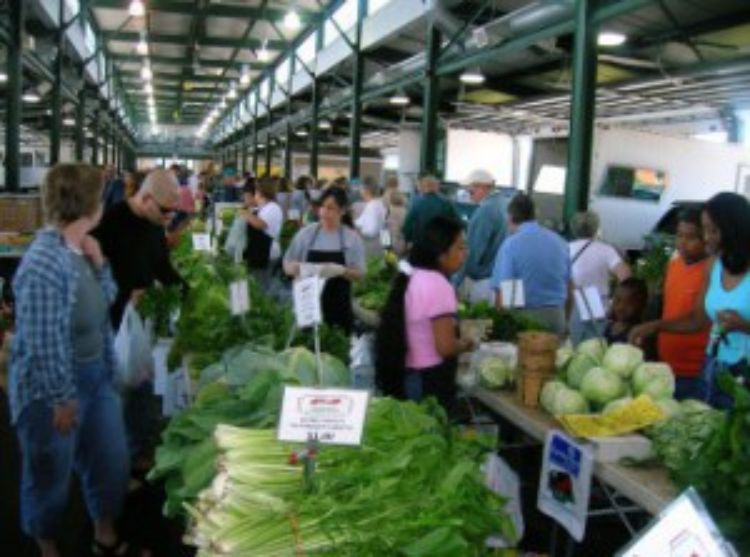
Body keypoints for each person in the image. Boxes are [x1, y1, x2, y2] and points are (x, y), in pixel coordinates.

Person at [9, 163, 130, 557]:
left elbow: (107, 298)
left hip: (97, 375)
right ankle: (46, 543)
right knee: (50, 476)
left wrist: (100, 263)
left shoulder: (81, 247)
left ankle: (103, 530)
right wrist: (61, 398)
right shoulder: (44, 264)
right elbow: (44, 343)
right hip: (52, 389)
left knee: (110, 459)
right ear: (89, 205)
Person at [631, 193, 750, 408]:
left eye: (713, 230)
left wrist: (743, 326)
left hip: (745, 379)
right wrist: (655, 326)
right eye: (705, 229)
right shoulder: (714, 265)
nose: (707, 237)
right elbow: (697, 320)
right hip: (713, 368)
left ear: (734, 228)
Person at [375, 216, 473, 416]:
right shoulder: (439, 285)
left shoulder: (414, 275)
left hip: (409, 375)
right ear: (441, 253)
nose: (465, 254)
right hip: (429, 382)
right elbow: (445, 347)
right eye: (460, 248)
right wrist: (466, 344)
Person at [93, 168, 185, 328]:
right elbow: (92, 279)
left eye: (174, 211)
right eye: (165, 210)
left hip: (138, 319)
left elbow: (162, 266)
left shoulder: (155, 222)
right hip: (112, 322)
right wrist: (126, 295)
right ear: (146, 198)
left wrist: (188, 293)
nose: (170, 217)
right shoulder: (111, 221)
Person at [647, 208, 710, 399]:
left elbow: (698, 319)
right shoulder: (674, 265)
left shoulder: (711, 272)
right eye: (679, 235)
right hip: (666, 365)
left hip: (694, 371)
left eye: (691, 237)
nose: (682, 242)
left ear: (707, 238)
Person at [283, 188, 365, 335]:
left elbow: (360, 274)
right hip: (309, 307)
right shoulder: (306, 234)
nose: (324, 212)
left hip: (339, 307)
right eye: (322, 207)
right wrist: (296, 268)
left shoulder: (352, 238)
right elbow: (286, 265)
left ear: (342, 210)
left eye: (330, 208)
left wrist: (341, 270)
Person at [491, 193, 571, 336]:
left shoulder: (511, 244)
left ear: (509, 217)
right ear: (534, 215)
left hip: (526, 320)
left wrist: (501, 326)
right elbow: (570, 286)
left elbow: (505, 292)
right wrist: (566, 321)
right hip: (557, 316)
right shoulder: (560, 242)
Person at [568, 211, 631, 343]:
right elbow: (626, 276)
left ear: (573, 228)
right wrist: (615, 302)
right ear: (596, 228)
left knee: (573, 350)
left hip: (572, 305)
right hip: (599, 305)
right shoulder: (606, 250)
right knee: (595, 349)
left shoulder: (566, 249)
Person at [453, 169, 509, 304]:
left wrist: (455, 282)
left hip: (484, 284)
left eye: (471, 191)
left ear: (483, 187)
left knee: (479, 322)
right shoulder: (507, 204)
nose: (469, 196)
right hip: (505, 281)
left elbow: (471, 252)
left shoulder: (485, 211)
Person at [242, 178, 284, 290]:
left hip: (267, 253)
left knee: (263, 286)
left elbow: (260, 224)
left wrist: (246, 214)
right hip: (259, 253)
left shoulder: (273, 208)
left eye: (256, 192)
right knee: (258, 284)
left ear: (261, 193)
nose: (254, 195)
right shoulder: (263, 208)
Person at [402, 175, 459, 245]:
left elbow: (407, 227)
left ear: (423, 187)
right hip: (440, 245)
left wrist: (410, 239)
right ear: (437, 187)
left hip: (421, 244)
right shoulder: (446, 203)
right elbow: (457, 223)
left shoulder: (416, 203)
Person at [604, 277, 648, 344]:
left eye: (629, 303)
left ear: (641, 305)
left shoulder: (638, 331)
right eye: (617, 301)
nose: (621, 307)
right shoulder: (609, 326)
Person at [354, 182, 387, 257]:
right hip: (378, 244)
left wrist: (359, 229)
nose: (360, 192)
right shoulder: (380, 204)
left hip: (370, 246)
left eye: (361, 189)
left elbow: (370, 231)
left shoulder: (371, 207)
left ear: (367, 191)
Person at [384, 188, 407, 256]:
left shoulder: (387, 213)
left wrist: (387, 250)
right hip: (403, 246)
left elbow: (384, 232)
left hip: (390, 246)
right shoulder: (406, 212)